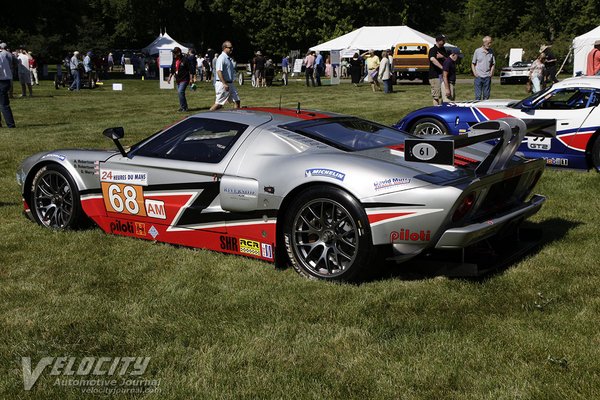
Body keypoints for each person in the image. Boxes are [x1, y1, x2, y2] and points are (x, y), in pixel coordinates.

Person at [210, 41, 241, 111]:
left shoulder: (227, 58)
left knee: (237, 101)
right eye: (230, 48)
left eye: (232, 47)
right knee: (219, 104)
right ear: (224, 48)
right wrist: (224, 83)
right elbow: (218, 71)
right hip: (223, 84)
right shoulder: (221, 58)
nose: (232, 49)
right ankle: (206, 117)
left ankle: (235, 118)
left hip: (230, 84)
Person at [167, 47, 191, 111]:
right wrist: (169, 77)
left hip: (185, 78)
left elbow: (190, 69)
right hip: (178, 79)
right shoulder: (174, 60)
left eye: (174, 53)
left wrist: (191, 79)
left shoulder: (185, 59)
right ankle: (182, 107)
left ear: (179, 53)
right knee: (180, 93)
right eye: (173, 53)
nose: (173, 54)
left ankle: (184, 108)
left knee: (180, 92)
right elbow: (172, 69)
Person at [472, 36, 495, 100]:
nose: (490, 45)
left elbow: (493, 63)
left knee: (486, 97)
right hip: (478, 77)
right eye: (488, 43)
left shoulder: (491, 51)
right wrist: (475, 73)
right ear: (484, 43)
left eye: (490, 43)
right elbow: (473, 63)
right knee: (478, 97)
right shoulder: (477, 51)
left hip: (487, 77)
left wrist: (491, 72)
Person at [428, 35, 448, 105]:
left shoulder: (443, 50)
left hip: (443, 76)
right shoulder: (433, 50)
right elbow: (432, 59)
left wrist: (442, 57)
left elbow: (448, 59)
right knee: (436, 96)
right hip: (435, 76)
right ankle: (436, 110)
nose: (444, 42)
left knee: (444, 94)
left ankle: (442, 109)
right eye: (443, 40)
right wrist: (442, 67)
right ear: (438, 41)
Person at [0, 43, 16, 128]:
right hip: (5, 80)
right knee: (3, 103)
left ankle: (11, 124)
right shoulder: (3, 55)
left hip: (2, 81)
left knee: (3, 104)